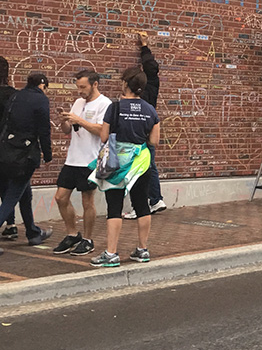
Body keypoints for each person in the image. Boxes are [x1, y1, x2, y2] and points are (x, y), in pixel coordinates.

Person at [90, 66, 159, 267]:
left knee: (114, 206)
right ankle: (142, 250)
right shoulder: (150, 110)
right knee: (142, 204)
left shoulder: (115, 107)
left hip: (117, 162)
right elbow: (154, 140)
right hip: (141, 162)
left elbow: (103, 136)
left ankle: (111, 253)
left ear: (125, 84)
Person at [52, 69, 111, 256]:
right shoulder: (78, 102)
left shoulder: (105, 104)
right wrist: (64, 120)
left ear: (95, 84)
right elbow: (67, 130)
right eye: (78, 87)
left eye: (83, 87)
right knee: (61, 197)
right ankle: (72, 234)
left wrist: (79, 119)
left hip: (91, 160)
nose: (80, 91)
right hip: (73, 158)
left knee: (87, 201)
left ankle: (88, 239)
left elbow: (101, 131)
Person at [0, 73, 53, 256]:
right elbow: (44, 130)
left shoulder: (16, 96)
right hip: (25, 154)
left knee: (25, 194)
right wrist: (47, 154)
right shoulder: (40, 101)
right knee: (12, 196)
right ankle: (32, 232)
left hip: (7, 150)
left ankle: (32, 232)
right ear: (42, 84)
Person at [124, 33, 166, 218]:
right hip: (149, 127)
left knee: (138, 167)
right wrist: (144, 47)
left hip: (138, 131)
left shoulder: (141, 89)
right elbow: (151, 67)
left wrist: (144, 47)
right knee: (150, 166)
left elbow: (149, 66)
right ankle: (155, 200)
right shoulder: (154, 84)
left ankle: (141, 205)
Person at [0, 56, 31, 243]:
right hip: (10, 148)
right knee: (14, 186)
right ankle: (16, 226)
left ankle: (23, 228)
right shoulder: (13, 95)